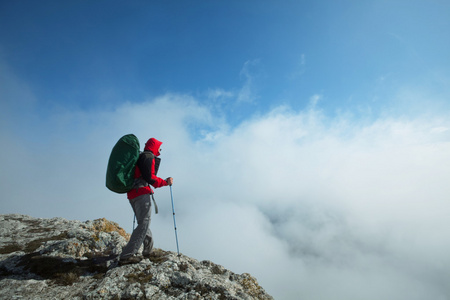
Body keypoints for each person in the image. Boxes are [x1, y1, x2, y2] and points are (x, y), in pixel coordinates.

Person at [119, 137, 173, 265]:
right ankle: (127, 255)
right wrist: (165, 182)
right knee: (144, 223)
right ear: (155, 146)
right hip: (141, 193)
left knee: (143, 222)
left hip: (132, 193)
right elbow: (151, 178)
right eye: (160, 147)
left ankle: (148, 250)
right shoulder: (148, 157)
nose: (160, 149)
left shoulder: (140, 156)